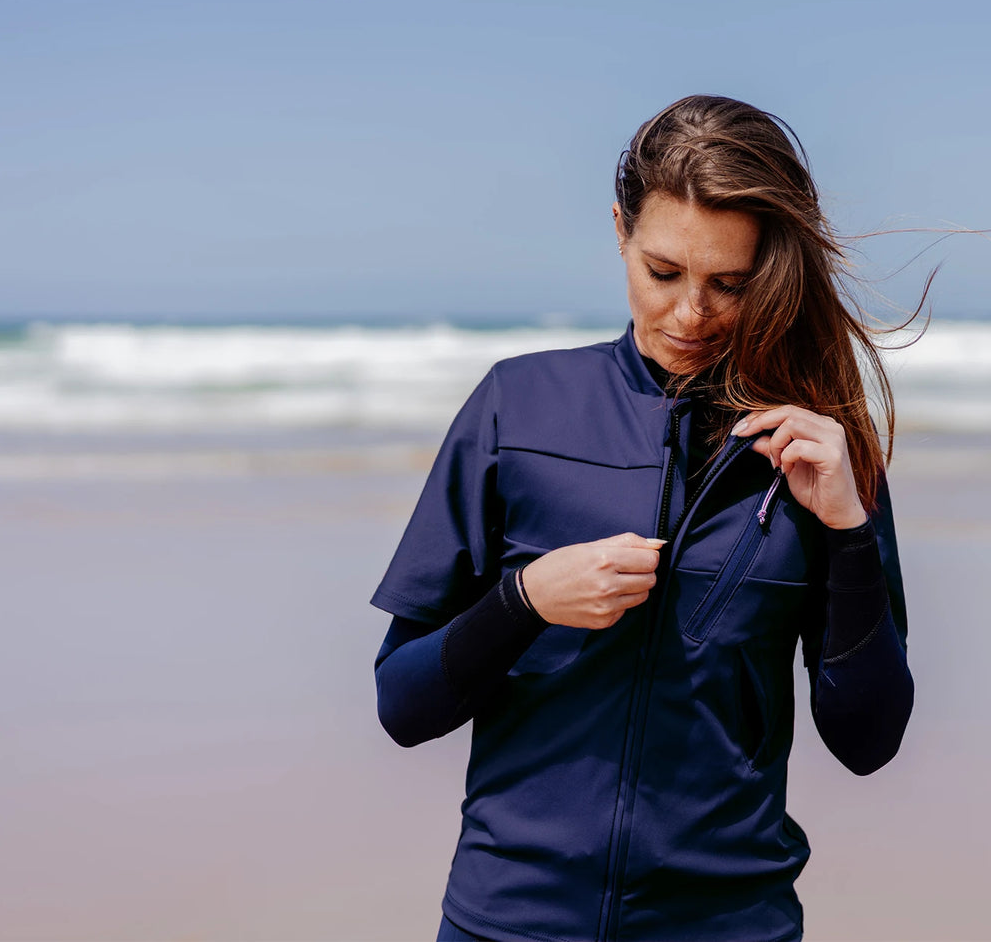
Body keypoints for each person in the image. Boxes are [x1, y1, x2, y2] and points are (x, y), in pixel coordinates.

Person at [371, 95, 915, 942]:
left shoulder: (821, 451)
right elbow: (401, 704)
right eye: (663, 272)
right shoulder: (519, 407)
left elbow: (868, 737)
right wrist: (523, 602)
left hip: (730, 924)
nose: (690, 314)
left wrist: (846, 531)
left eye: (729, 284)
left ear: (772, 269)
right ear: (619, 229)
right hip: (510, 920)